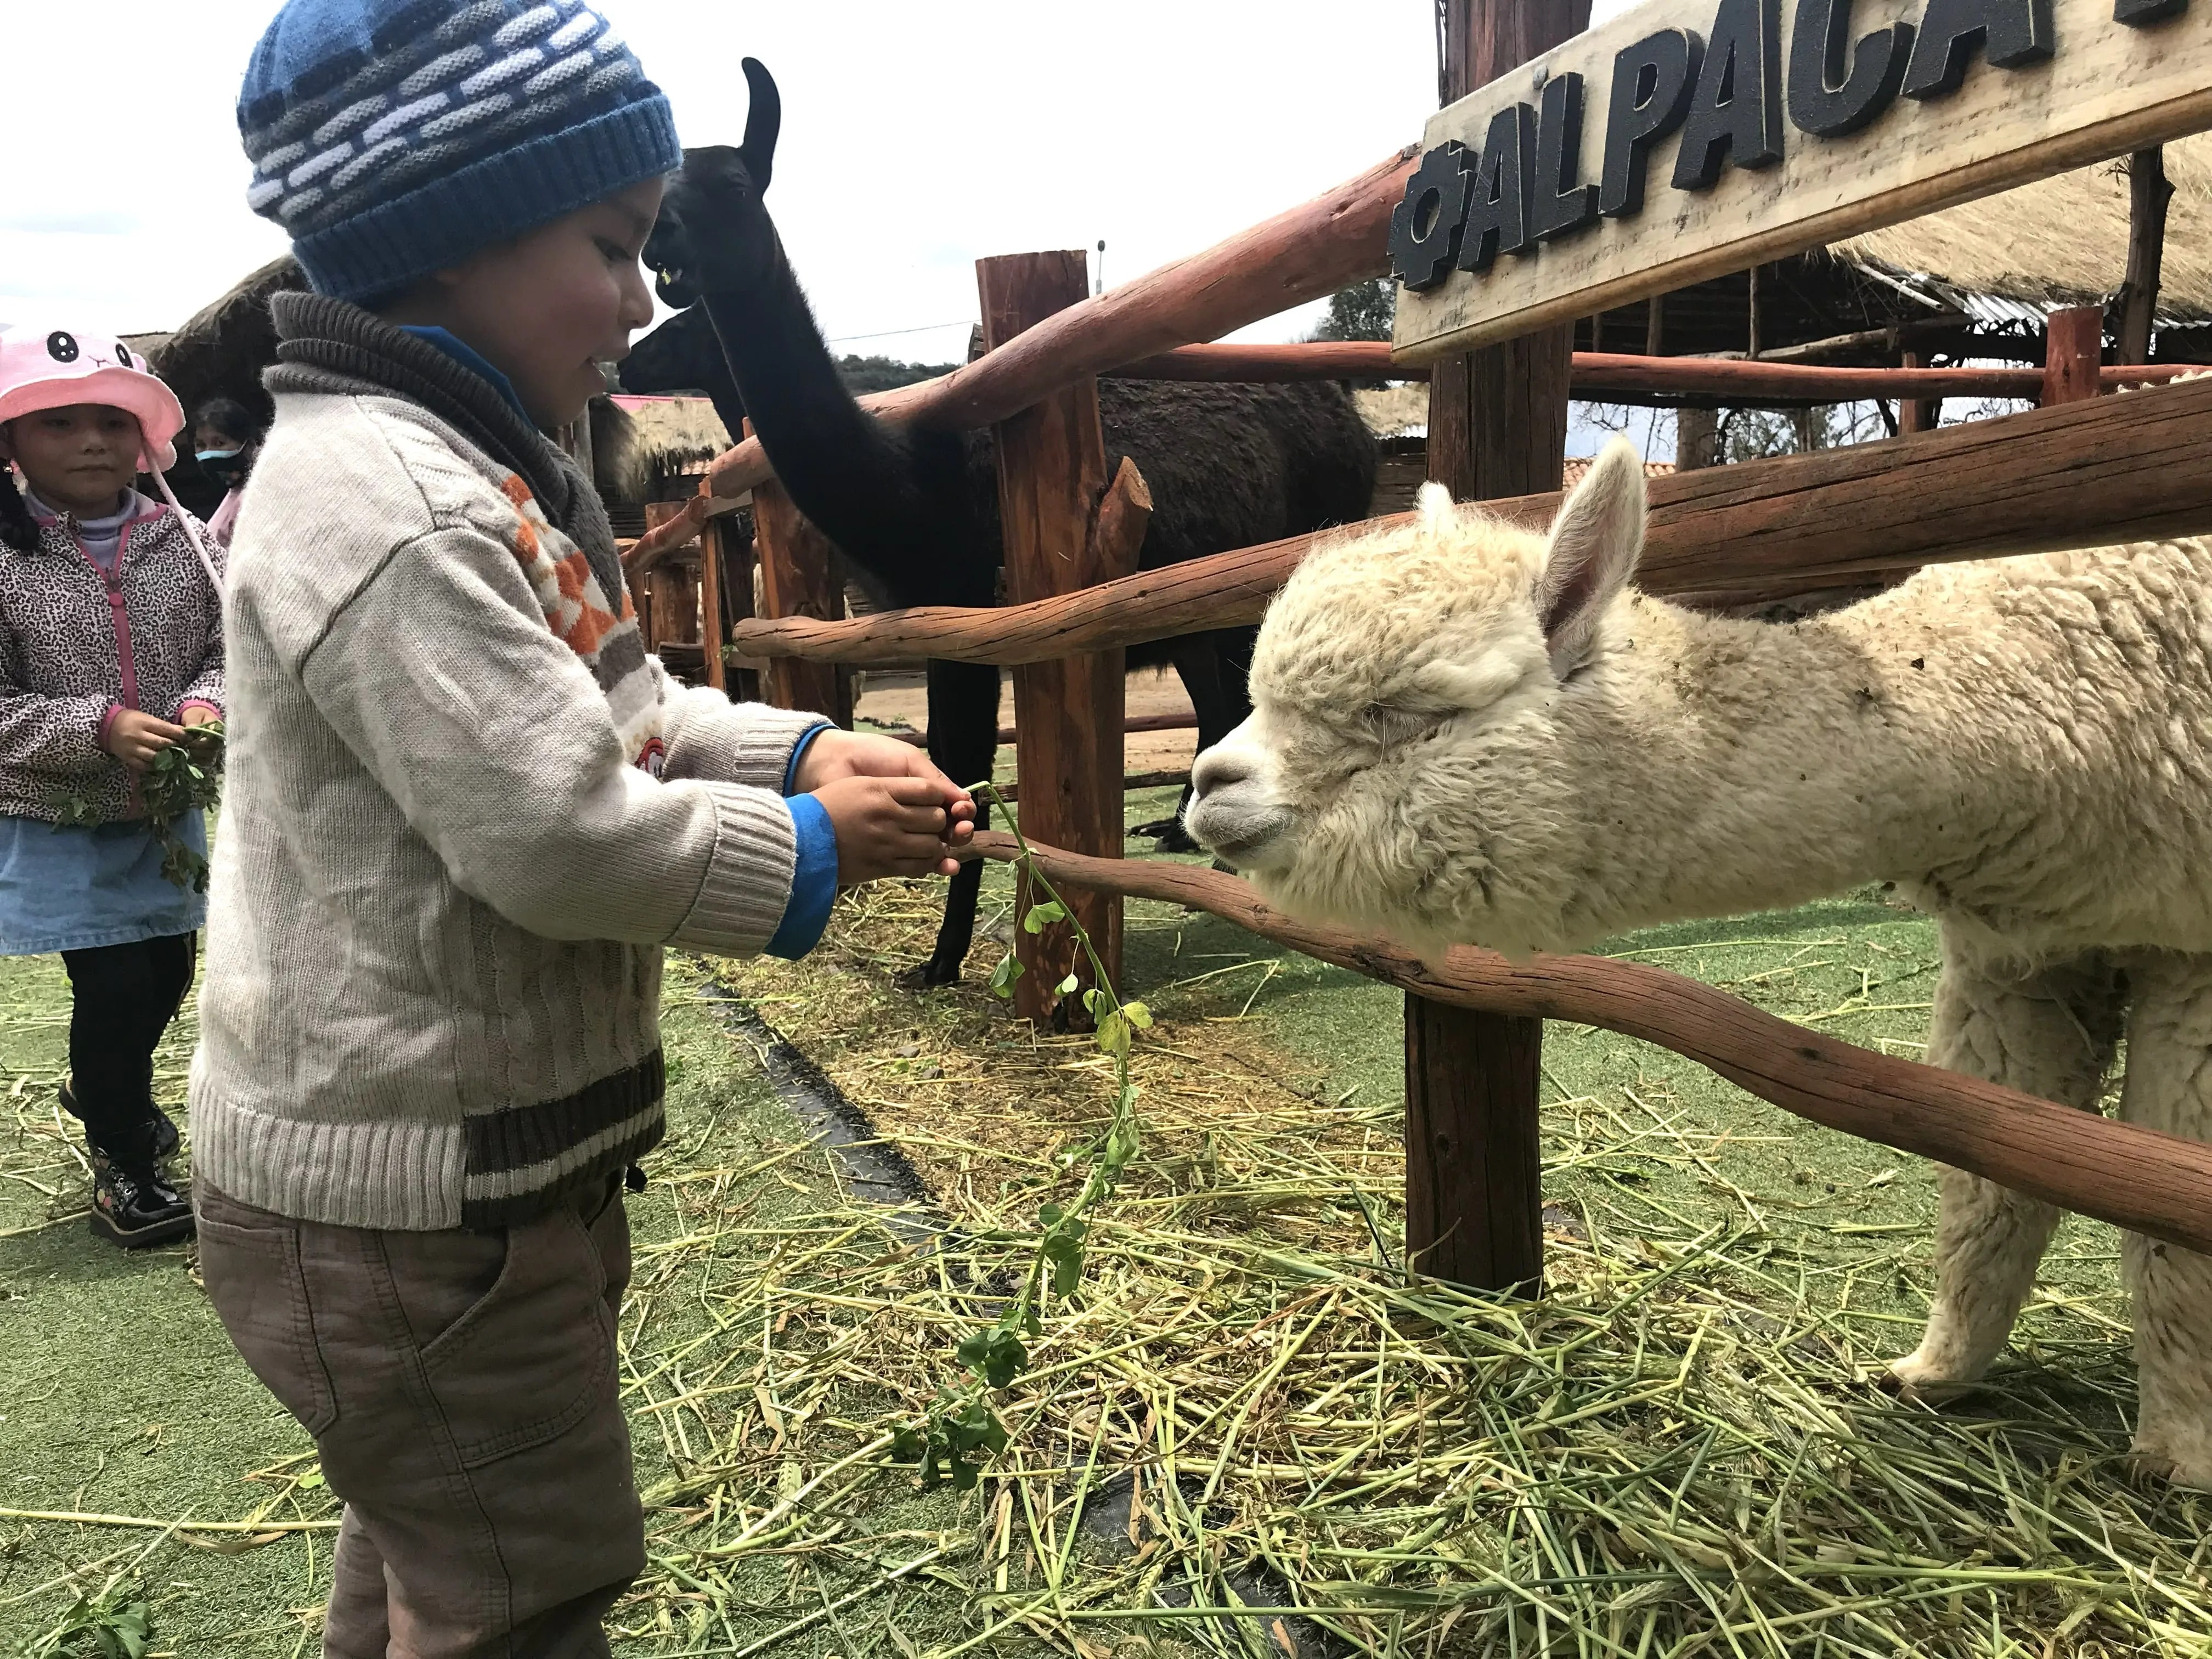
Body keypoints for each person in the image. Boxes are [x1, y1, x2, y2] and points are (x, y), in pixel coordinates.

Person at [191, 2, 975, 1652]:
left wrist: (804, 753)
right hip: (411, 1202)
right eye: (613, 249)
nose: (640, 302)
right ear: (451, 237)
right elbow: (556, 831)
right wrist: (812, 859)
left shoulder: (493, 475)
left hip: (461, 1179)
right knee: (523, 1595)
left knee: (439, 1564)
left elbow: (626, 712)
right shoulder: (393, 510)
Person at [0, 327, 225, 1248]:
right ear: (12, 440)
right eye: (59, 423)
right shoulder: (7, 554)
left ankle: (102, 1084)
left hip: (165, 812)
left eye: (110, 420)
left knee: (170, 968)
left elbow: (231, 641)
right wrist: (95, 724)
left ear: (145, 437)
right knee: (117, 983)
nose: (92, 440)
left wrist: (210, 703)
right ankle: (128, 1154)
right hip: (62, 812)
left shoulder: (186, 538)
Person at [190, 397, 264, 549]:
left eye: (219, 443)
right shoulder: (234, 492)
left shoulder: (255, 499)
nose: (208, 453)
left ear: (249, 446)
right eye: (201, 445)